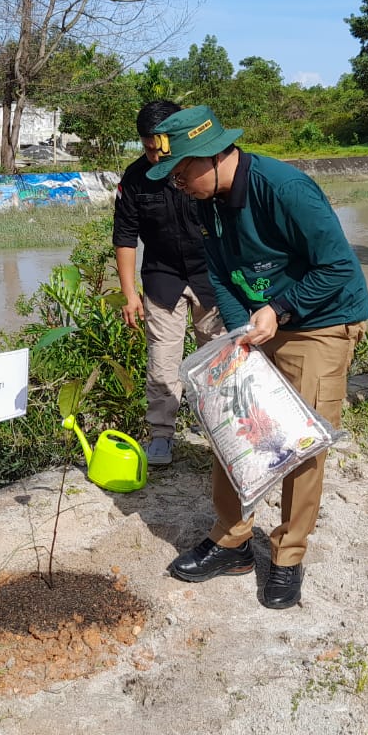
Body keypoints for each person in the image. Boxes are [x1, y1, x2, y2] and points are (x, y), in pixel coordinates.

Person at [146, 105, 368, 609]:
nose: (177, 184)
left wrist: (281, 307)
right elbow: (220, 276)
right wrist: (237, 327)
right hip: (259, 321)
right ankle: (232, 541)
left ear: (210, 156)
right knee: (233, 423)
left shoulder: (284, 188)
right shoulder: (206, 202)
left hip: (321, 321)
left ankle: (288, 557)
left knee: (301, 442)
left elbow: (337, 265)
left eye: (181, 173)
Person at [113, 99, 225, 467]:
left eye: (157, 147)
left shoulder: (203, 168)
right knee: (162, 364)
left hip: (211, 276)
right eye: (146, 148)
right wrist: (129, 294)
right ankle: (161, 435)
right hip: (163, 279)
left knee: (218, 358)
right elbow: (126, 237)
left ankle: (221, 429)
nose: (153, 157)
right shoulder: (133, 179)